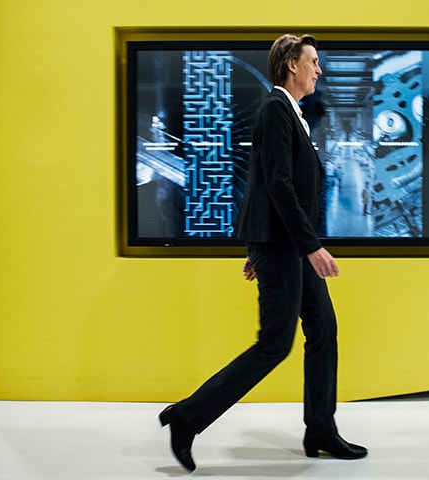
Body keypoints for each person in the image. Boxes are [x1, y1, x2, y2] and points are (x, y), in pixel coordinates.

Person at [158, 34, 368, 472]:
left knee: (323, 331)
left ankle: (321, 429)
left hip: (284, 243)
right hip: (289, 246)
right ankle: (186, 416)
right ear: (292, 65)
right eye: (313, 61)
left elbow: (264, 183)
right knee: (274, 344)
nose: (319, 69)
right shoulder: (276, 109)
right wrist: (306, 246)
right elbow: (277, 184)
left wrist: (261, 241)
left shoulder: (290, 113)